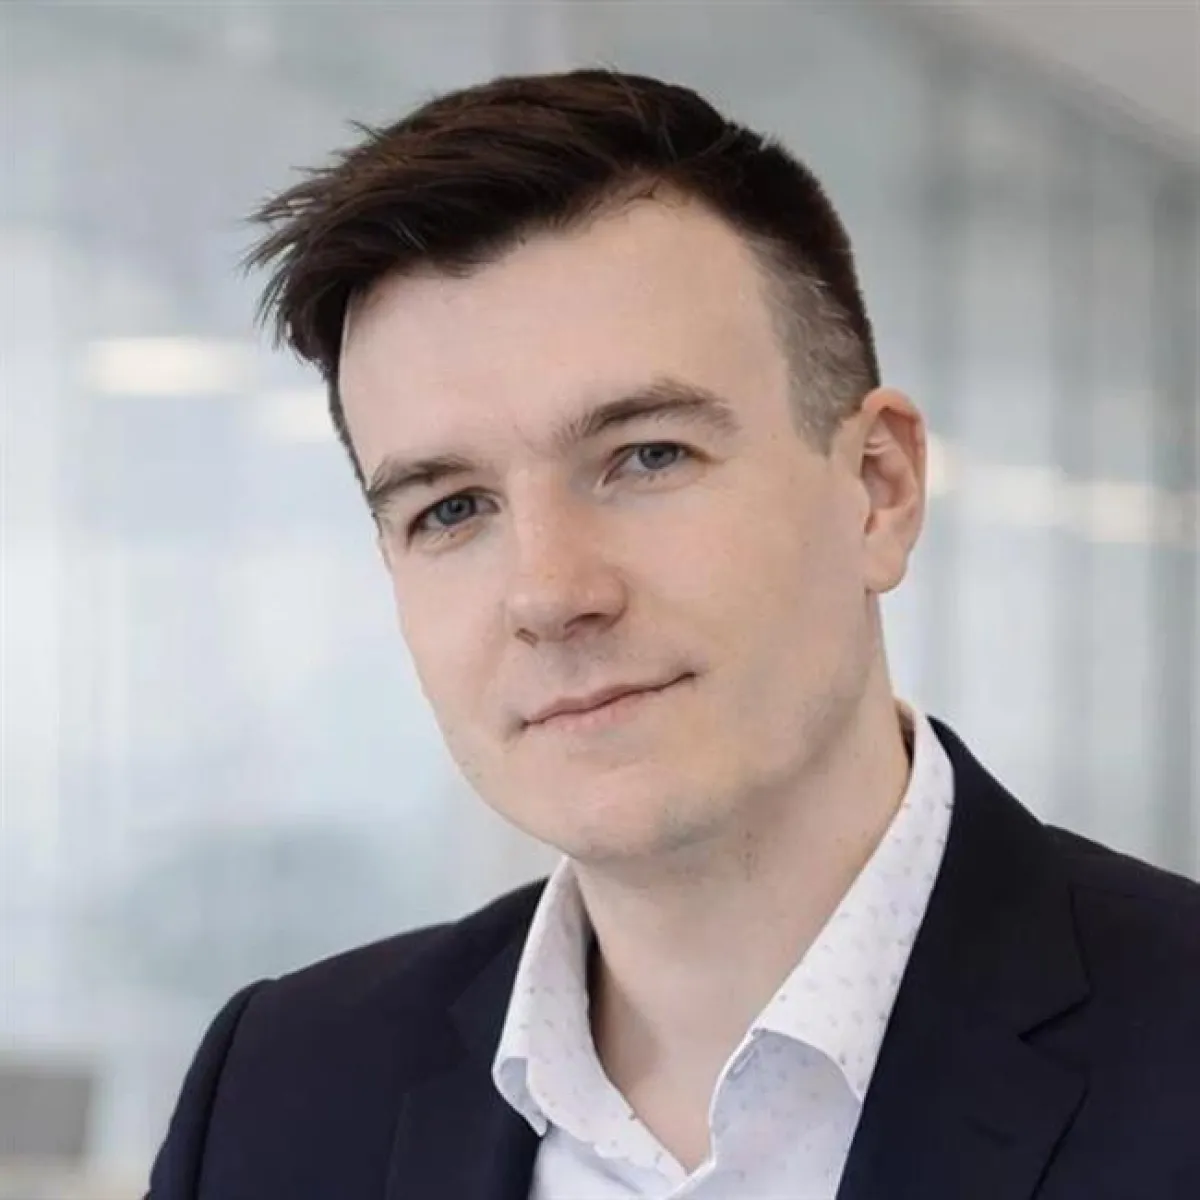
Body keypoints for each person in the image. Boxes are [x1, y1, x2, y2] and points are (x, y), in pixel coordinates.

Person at [146, 70, 1200, 1200]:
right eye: (450, 510)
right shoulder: (281, 1094)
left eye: (647, 456)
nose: (550, 593)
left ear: (877, 489)